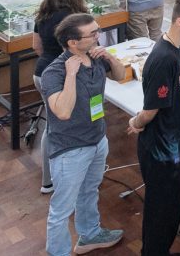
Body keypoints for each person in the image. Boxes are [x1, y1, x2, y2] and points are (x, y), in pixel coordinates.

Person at [127, 0, 180, 256]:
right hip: (162, 150)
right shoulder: (164, 58)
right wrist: (135, 122)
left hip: (175, 142)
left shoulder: (178, 44)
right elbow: (150, 110)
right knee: (162, 211)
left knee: (170, 208)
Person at [39, 13, 126, 256]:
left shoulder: (96, 58)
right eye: (93, 34)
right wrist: (70, 75)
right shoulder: (53, 73)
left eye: (98, 30)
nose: (99, 36)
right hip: (70, 149)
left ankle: (90, 235)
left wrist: (109, 56)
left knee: (90, 190)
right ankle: (59, 252)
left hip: (97, 139)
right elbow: (63, 112)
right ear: (72, 43)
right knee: (61, 209)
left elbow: (120, 76)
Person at [31, 0, 89, 193]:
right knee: (62, 127)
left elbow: (36, 46)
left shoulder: (43, 15)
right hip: (64, 77)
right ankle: (60, 177)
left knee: (52, 125)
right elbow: (84, 50)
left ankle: (49, 179)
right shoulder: (74, 18)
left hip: (41, 73)